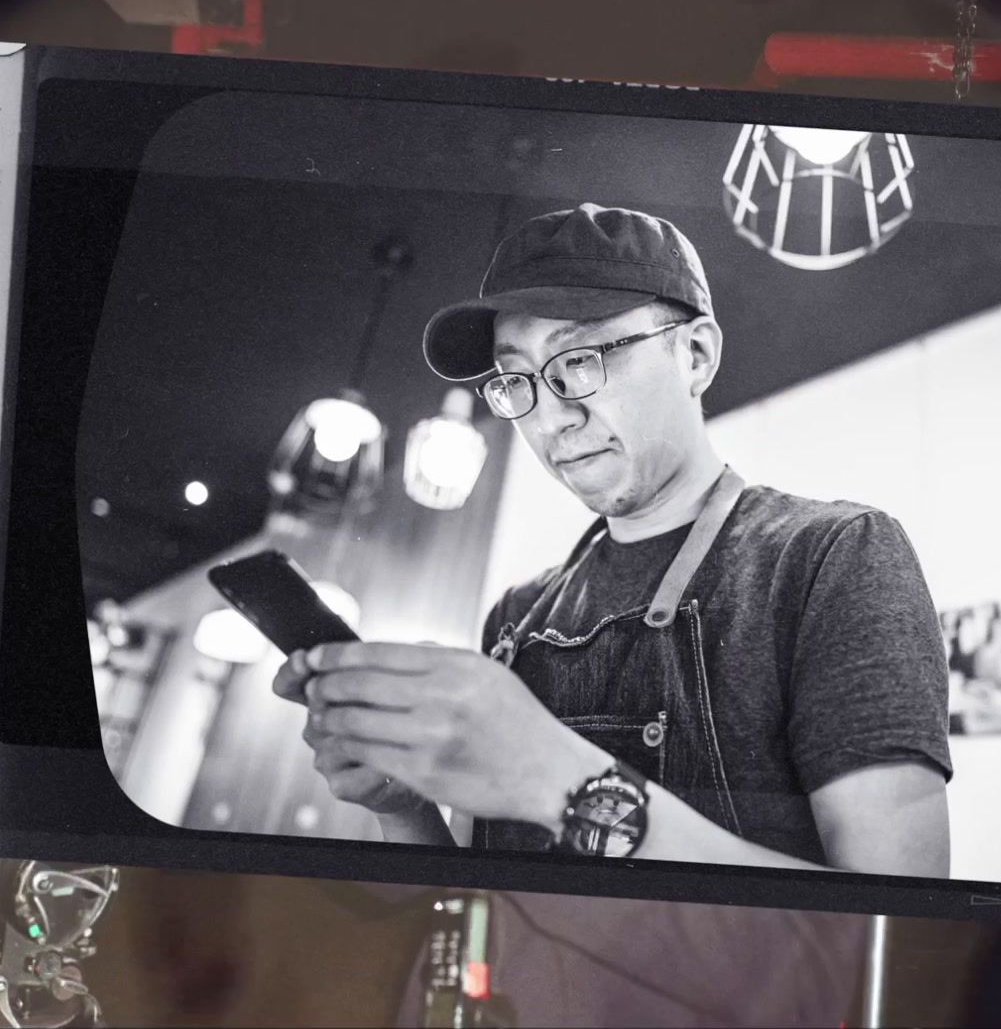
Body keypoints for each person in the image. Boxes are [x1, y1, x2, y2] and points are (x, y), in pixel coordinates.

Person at [274, 202, 952, 876]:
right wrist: (404, 808)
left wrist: (557, 781)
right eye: (518, 380)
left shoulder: (833, 557)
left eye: (581, 359)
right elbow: (469, 912)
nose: (551, 419)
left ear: (695, 354)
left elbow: (895, 926)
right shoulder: (516, 617)